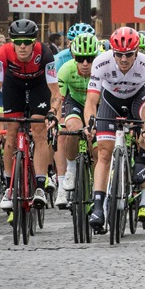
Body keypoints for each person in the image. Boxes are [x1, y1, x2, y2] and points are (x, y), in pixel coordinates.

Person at [83, 27, 145, 233]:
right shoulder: (101, 62)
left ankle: (141, 159)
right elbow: (91, 100)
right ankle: (98, 206)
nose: (123, 59)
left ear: (137, 52)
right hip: (111, 100)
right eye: (119, 54)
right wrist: (90, 122)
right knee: (104, 153)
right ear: (113, 52)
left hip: (138, 99)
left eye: (128, 55)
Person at [0, 19, 61, 211]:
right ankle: (9, 187)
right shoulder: (2, 53)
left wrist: (53, 112)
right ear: (11, 42)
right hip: (14, 87)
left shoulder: (45, 54)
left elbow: (55, 91)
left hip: (39, 87)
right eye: (18, 42)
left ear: (34, 42)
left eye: (27, 42)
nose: (22, 46)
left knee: (38, 129)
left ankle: (39, 187)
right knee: (10, 133)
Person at [56, 34, 99, 209]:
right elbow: (58, 99)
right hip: (74, 103)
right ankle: (71, 169)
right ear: (74, 57)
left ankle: (98, 187)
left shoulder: (101, 69)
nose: (85, 63)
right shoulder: (66, 70)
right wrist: (55, 119)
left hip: (98, 103)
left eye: (90, 59)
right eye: (81, 59)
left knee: (97, 148)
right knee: (72, 129)